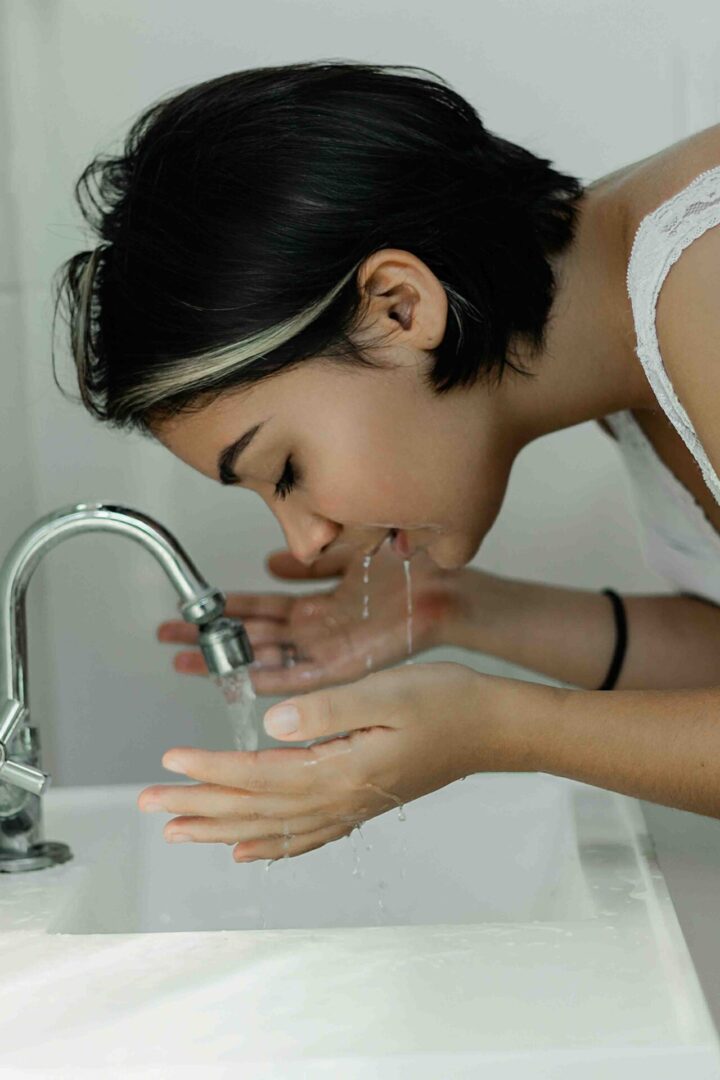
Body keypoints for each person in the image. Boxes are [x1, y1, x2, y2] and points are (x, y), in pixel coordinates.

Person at [53, 61, 720, 863]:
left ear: (400, 307)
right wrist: (456, 611)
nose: (307, 542)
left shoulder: (705, 277)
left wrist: (497, 728)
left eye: (287, 469)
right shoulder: (625, 330)